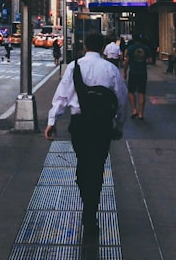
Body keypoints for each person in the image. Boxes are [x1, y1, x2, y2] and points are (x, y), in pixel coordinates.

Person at [45, 31, 128, 243]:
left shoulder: (74, 67)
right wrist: (119, 125)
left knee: (83, 163)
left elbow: (62, 96)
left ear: (84, 47)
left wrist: (52, 122)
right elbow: (121, 99)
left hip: (80, 125)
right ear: (102, 48)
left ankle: (86, 197)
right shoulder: (110, 68)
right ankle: (91, 211)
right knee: (98, 165)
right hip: (102, 126)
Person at [123, 33, 152, 119]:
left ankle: (134, 109)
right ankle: (141, 113)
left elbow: (126, 61)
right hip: (143, 72)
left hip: (133, 72)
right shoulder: (146, 48)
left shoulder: (130, 48)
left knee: (131, 91)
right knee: (141, 92)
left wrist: (124, 72)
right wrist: (143, 62)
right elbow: (150, 60)